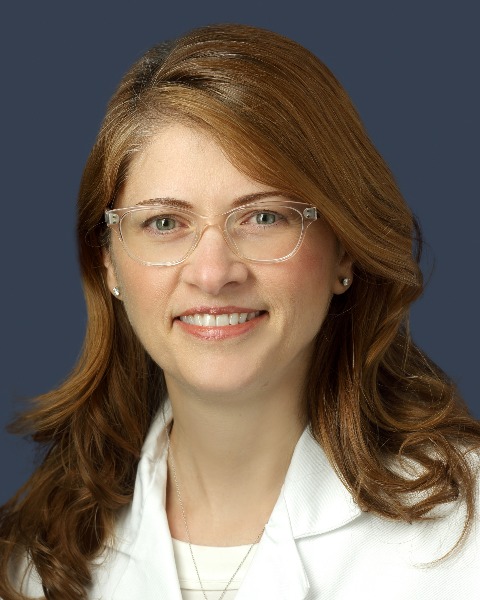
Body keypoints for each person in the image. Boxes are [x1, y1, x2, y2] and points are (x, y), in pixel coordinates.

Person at [1, 23, 479, 600]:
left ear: (344, 249)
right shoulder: (34, 562)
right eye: (164, 223)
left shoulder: (466, 536)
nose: (212, 273)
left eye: (263, 217)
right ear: (109, 264)